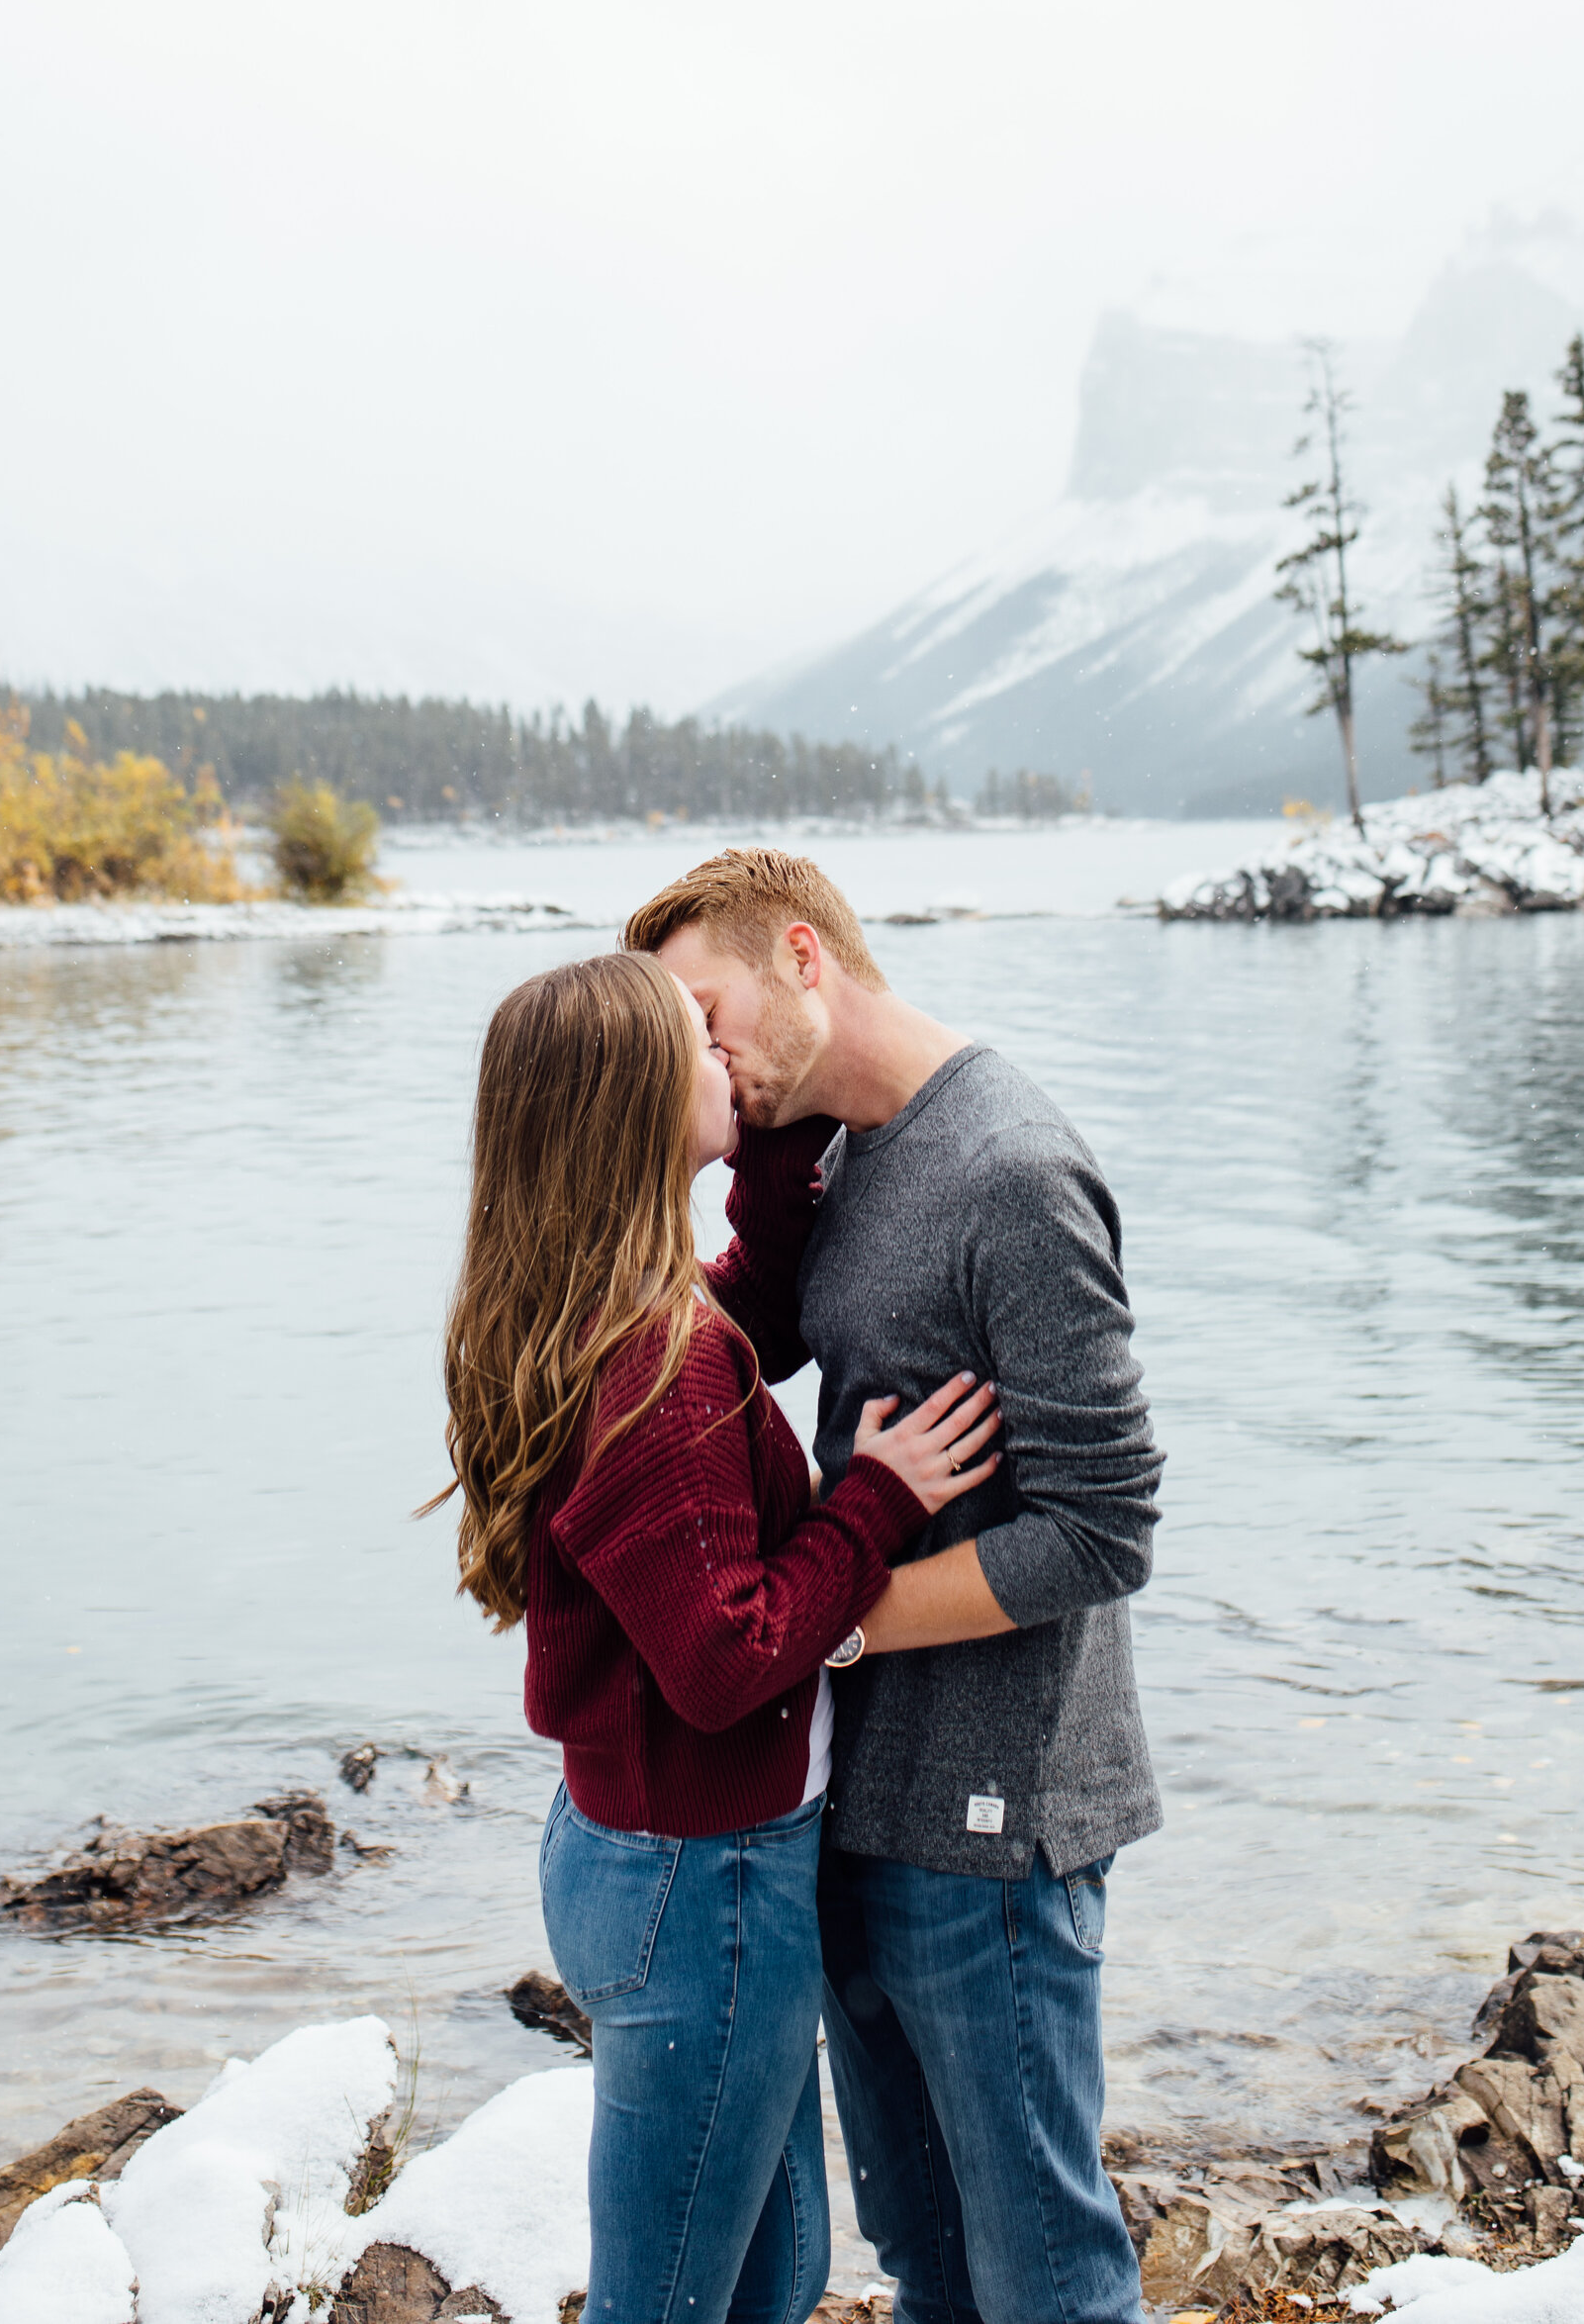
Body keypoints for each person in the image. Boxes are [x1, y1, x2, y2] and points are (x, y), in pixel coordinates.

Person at [626, 849, 1165, 2324]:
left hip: (995, 1824)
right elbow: (730, 1340)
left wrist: (831, 1620)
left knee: (1045, 2274)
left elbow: (1105, 1527)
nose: (704, 1053)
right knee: (924, 2262)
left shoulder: (1012, 1170)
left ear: (805, 954)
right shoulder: (833, 1155)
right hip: (853, 1801)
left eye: (708, 1010)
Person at [432, 949, 1003, 2324]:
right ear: (635, 1103)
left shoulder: (608, 1308)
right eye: (700, 1041)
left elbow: (756, 1299)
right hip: (708, 1890)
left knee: (773, 2277)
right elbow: (728, 1656)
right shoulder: (657, 1363)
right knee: (678, 2304)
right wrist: (875, 1499)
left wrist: (786, 1132)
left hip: (651, 1861)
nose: (725, 1055)